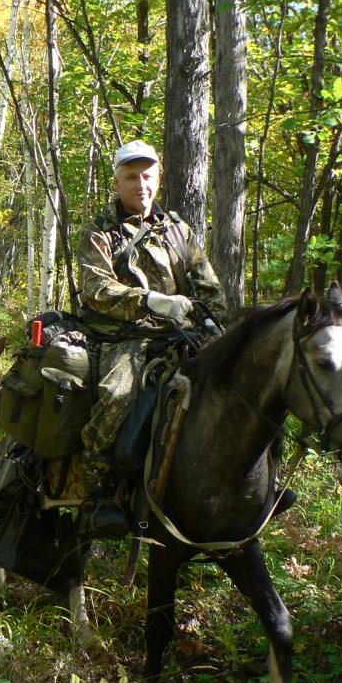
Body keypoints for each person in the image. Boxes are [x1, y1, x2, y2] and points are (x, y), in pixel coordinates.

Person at [73, 139, 227, 520]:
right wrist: (150, 301)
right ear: (117, 182)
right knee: (117, 394)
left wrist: (209, 318)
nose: (140, 185)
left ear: (158, 179)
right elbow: (96, 289)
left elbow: (209, 287)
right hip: (127, 337)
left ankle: (251, 481)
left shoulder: (178, 230)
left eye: (147, 176)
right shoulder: (99, 232)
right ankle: (98, 487)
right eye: (131, 177)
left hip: (183, 332)